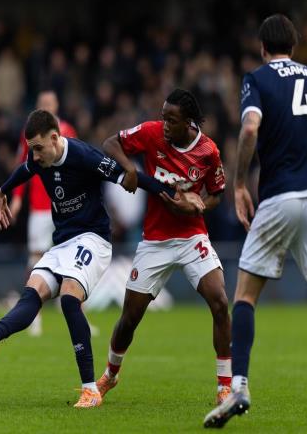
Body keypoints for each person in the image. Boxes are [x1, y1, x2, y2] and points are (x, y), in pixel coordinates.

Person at [0, 109, 202, 408]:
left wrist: (173, 193)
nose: (35, 156)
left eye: (39, 148)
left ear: (55, 138)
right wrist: (2, 191)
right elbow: (25, 170)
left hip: (94, 239)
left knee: (70, 298)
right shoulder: (38, 157)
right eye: (32, 150)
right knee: (34, 289)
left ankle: (90, 389)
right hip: (63, 243)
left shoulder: (85, 156)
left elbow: (132, 177)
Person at [203, 14, 307, 429]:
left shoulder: (257, 79)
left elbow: (250, 129)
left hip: (278, 197)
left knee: (245, 294)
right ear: (294, 45)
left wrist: (239, 183)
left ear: (262, 48)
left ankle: (239, 386)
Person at [96, 88, 233, 405]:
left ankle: (224, 387)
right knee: (129, 318)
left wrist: (197, 206)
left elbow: (216, 193)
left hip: (192, 237)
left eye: (171, 120)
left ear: (188, 122)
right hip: (155, 241)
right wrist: (129, 168)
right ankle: (110, 375)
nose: (165, 125)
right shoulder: (151, 133)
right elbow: (110, 143)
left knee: (220, 302)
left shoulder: (208, 151)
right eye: (163, 117)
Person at [10, 90, 77, 336]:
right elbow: (23, 165)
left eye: (50, 102)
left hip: (65, 205)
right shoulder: (28, 134)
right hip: (39, 206)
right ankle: (33, 317)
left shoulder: (67, 131)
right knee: (36, 258)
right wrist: (17, 198)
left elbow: (77, 166)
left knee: (72, 259)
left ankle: (76, 315)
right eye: (43, 103)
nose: (47, 106)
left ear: (57, 105)